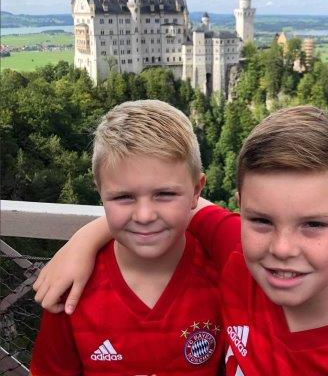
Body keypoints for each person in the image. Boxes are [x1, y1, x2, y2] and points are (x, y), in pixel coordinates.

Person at [34, 105, 328, 374]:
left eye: (313, 224)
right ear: (243, 212)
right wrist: (86, 238)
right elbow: (174, 208)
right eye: (261, 221)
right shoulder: (237, 254)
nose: (282, 249)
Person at [30, 100, 226, 376]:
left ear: (196, 191)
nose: (144, 215)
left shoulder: (222, 277)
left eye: (165, 194)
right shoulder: (73, 289)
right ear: (100, 193)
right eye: (123, 197)